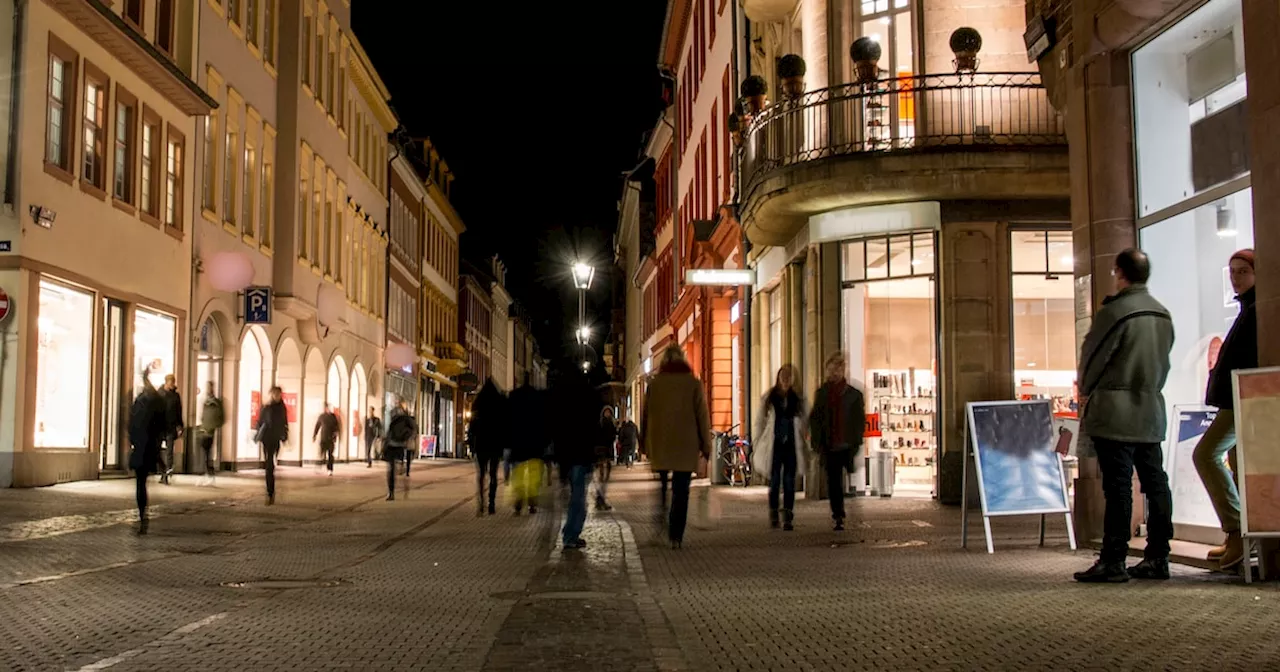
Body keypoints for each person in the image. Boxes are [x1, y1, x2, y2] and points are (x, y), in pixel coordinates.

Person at [1074, 248, 1175, 583]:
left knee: (1118, 487)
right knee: (1155, 482)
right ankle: (1158, 556)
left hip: (1115, 411)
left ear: (1119, 273)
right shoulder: (1162, 314)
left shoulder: (1115, 312)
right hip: (1150, 409)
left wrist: (1087, 389)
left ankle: (1114, 559)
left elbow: (1092, 358)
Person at [1194, 249, 1256, 571]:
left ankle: (1237, 532)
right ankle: (1240, 536)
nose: (1236, 276)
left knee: (1205, 455)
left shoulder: (1258, 309)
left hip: (1241, 401)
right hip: (1234, 400)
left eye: (1243, 270)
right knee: (1233, 460)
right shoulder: (1247, 308)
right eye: (1232, 271)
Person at [642, 345, 712, 549]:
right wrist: (706, 446)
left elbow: (646, 416)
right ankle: (676, 536)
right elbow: (702, 416)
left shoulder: (655, 385)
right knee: (682, 491)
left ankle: (660, 521)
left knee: (662, 487)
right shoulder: (693, 383)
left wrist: (644, 443)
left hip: (661, 443)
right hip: (686, 445)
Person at [808, 352, 865, 532]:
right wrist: (816, 443)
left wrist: (857, 440)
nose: (834, 373)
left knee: (846, 476)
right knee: (834, 482)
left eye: (837, 369)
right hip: (830, 444)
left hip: (847, 444)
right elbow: (815, 418)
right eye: (831, 370)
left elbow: (859, 420)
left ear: (843, 370)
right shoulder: (822, 393)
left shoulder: (854, 394)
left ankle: (850, 506)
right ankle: (838, 515)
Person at [552, 365, 603, 549]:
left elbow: (555, 426)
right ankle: (570, 534)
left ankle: (570, 533)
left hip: (567, 454)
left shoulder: (560, 396)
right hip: (581, 454)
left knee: (575, 495)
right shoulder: (588, 395)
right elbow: (594, 426)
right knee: (579, 497)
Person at [752, 364, 808, 531]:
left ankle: (788, 515)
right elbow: (760, 421)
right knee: (775, 481)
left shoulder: (797, 399)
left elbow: (805, 421)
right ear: (778, 378)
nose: (785, 380)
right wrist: (757, 442)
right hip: (774, 444)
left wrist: (807, 440)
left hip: (791, 444)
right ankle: (774, 512)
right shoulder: (770, 398)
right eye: (783, 376)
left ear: (792, 380)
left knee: (789, 481)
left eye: (788, 377)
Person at [128, 375, 167, 535]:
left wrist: (133, 441)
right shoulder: (156, 403)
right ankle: (143, 517)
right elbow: (161, 427)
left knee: (140, 483)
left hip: (140, 448)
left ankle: (142, 515)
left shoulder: (139, 402)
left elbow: (131, 424)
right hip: (149, 448)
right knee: (142, 483)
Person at [508, 375, 549, 515]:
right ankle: (532, 503)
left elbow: (508, 422)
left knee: (518, 477)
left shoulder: (514, 398)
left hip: (518, 446)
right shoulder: (538, 399)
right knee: (534, 478)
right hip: (534, 447)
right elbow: (545, 423)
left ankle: (519, 504)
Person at [469, 380, 509, 516]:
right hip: (495, 445)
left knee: (481, 474)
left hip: (481, 444)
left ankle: (481, 504)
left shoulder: (478, 406)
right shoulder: (499, 407)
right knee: (493, 474)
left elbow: (472, 428)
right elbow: (505, 427)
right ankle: (491, 503)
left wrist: (471, 444)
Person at [255, 386, 289, 505]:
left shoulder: (281, 408)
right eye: (275, 394)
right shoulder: (266, 406)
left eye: (278, 394)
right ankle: (270, 492)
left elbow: (284, 422)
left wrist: (284, 436)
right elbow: (260, 421)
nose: (276, 396)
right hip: (266, 438)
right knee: (269, 465)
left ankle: (270, 491)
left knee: (270, 463)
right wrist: (258, 431)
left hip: (275, 438)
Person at [383, 400, 418, 501]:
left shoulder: (402, 418)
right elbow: (412, 430)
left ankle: (392, 492)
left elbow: (389, 431)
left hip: (396, 445)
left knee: (392, 469)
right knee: (392, 469)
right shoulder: (403, 418)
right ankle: (392, 491)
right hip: (396, 445)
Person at [196, 381, 226, 487]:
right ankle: (207, 473)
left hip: (209, 431)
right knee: (205, 453)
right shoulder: (206, 401)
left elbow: (221, 418)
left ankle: (210, 474)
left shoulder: (216, 402)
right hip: (204, 429)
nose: (208, 389)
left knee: (207, 453)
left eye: (209, 387)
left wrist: (212, 426)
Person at [159, 374, 184, 485]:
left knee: (169, 451)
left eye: (173, 383)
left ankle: (167, 472)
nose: (172, 385)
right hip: (160, 426)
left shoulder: (176, 396)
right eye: (170, 383)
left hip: (171, 427)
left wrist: (180, 426)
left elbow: (179, 411)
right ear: (166, 382)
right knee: (157, 451)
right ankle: (162, 471)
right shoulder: (159, 394)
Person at [595, 407, 619, 511]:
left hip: (607, 451)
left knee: (605, 477)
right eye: (606, 412)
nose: (608, 414)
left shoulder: (611, 423)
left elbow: (613, 436)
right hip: (602, 451)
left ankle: (600, 499)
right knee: (602, 477)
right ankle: (600, 499)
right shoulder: (602, 424)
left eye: (609, 412)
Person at [313, 403, 340, 476]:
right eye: (326, 408)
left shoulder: (333, 417)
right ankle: (318, 466)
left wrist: (336, 434)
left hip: (331, 439)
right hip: (323, 438)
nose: (328, 409)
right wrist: (314, 435)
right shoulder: (322, 416)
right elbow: (317, 426)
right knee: (321, 453)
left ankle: (330, 469)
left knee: (330, 454)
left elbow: (337, 427)